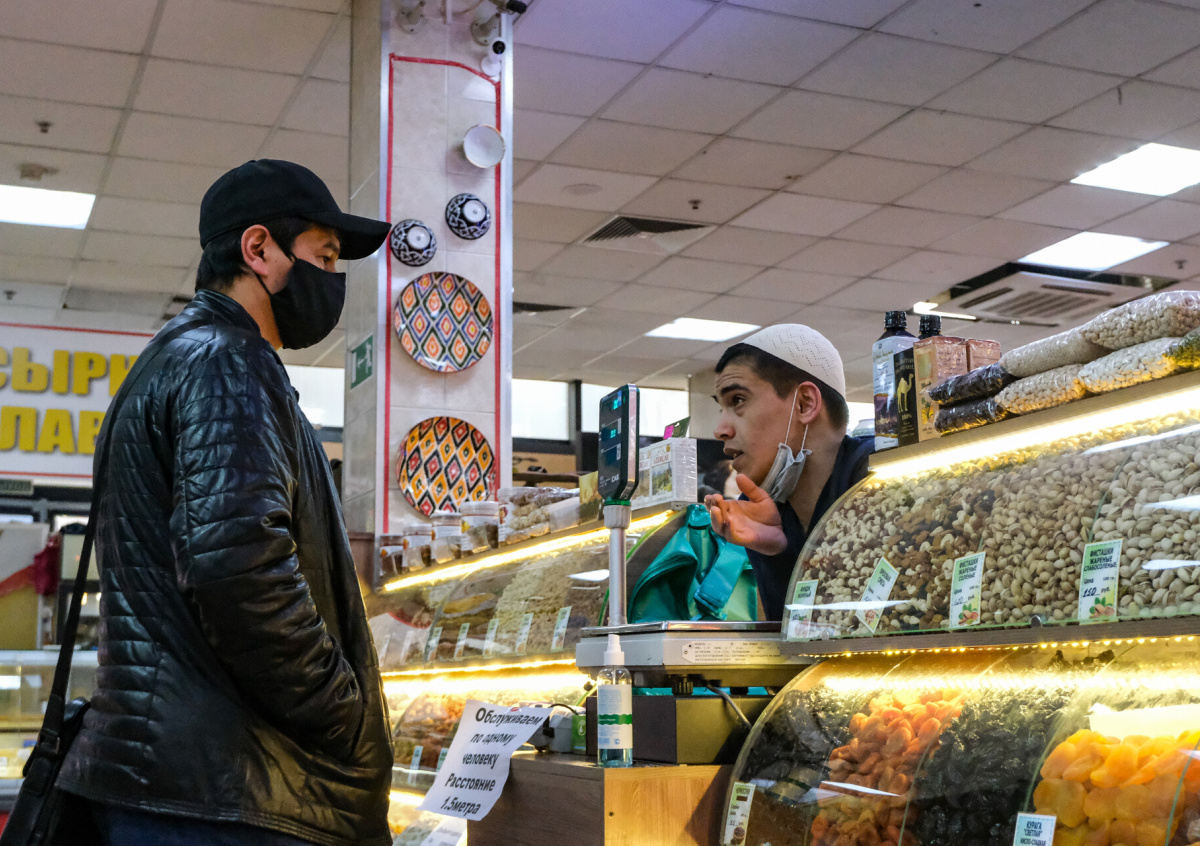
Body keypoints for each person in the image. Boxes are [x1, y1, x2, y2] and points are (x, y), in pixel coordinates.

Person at [59, 160, 395, 846]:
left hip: (177, 782)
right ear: (259, 248)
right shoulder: (227, 361)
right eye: (326, 255)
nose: (333, 277)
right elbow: (238, 569)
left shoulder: (173, 358)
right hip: (231, 791)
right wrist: (342, 711)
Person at [705, 324, 873, 621]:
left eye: (738, 400)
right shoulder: (761, 510)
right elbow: (797, 636)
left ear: (805, 404)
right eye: (721, 408)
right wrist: (778, 553)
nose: (720, 430)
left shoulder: (879, 474)